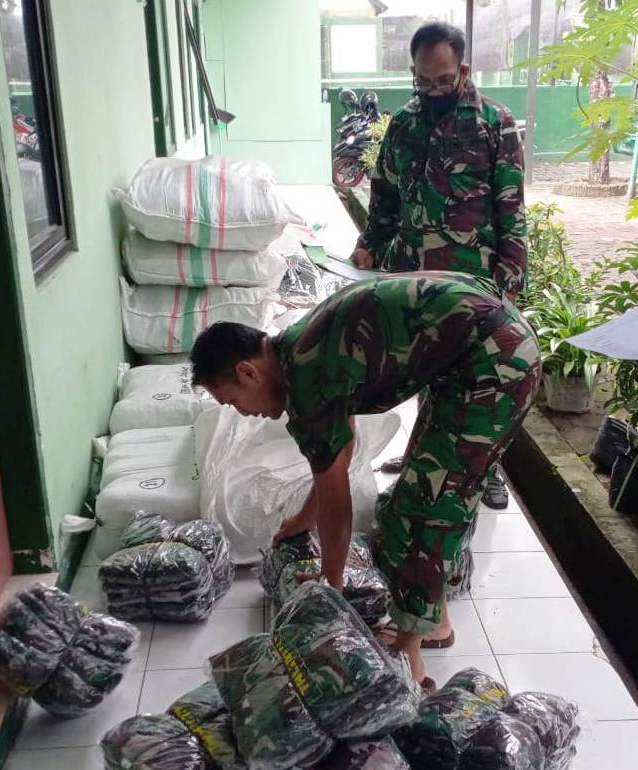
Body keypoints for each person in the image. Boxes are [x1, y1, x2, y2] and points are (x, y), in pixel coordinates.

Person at [190, 273, 540, 690]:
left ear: (248, 372)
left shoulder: (305, 380)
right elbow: (339, 454)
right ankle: (433, 621)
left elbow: (337, 499)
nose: (244, 413)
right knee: (415, 494)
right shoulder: (297, 350)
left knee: (428, 507)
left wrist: (331, 584)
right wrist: (303, 521)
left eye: (233, 402)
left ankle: (411, 651)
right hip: (473, 354)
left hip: (494, 365)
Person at [353, 20, 525, 532]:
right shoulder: (404, 124)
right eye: (422, 81)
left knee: (482, 381)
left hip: (472, 284)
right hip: (413, 279)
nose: (432, 91)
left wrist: (509, 280)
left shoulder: (494, 122)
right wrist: (368, 247)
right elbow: (384, 197)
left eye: (443, 81)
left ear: (463, 70)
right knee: (424, 373)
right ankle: (424, 459)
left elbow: (511, 209)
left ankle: (487, 470)